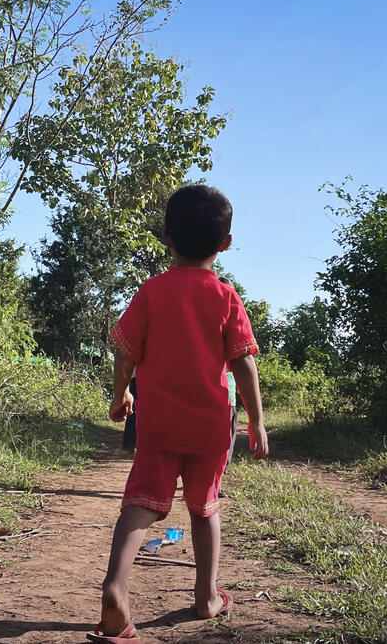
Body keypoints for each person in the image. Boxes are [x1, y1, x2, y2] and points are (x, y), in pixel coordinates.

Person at [89, 185, 268, 643]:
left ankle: (115, 586)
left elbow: (125, 351)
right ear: (225, 243)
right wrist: (256, 420)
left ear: (167, 237)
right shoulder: (226, 297)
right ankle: (206, 597)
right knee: (205, 507)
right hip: (210, 425)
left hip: (158, 422)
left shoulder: (152, 291)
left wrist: (121, 394)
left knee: (140, 503)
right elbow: (243, 363)